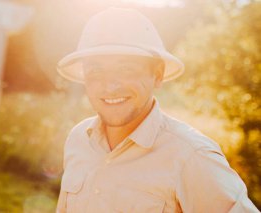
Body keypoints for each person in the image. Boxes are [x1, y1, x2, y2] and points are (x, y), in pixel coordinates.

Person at [55, 7, 259, 213]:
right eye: (96, 71)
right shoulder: (78, 139)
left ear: (158, 75)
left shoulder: (192, 157)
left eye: (126, 69)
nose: (109, 86)